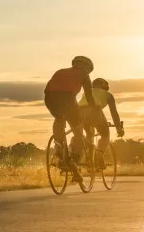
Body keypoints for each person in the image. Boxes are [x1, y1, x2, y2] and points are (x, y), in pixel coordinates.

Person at [44, 56, 96, 184]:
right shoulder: (84, 74)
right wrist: (94, 110)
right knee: (78, 130)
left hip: (49, 97)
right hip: (67, 98)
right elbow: (89, 95)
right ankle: (75, 159)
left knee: (59, 118)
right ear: (86, 67)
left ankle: (60, 148)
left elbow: (49, 88)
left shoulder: (61, 71)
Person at [79, 77, 125, 167]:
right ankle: (98, 156)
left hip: (80, 112)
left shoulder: (86, 92)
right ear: (105, 87)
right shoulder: (108, 95)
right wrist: (118, 128)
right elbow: (114, 112)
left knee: (89, 134)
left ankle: (89, 156)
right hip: (95, 111)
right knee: (105, 134)